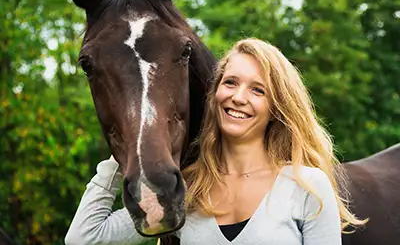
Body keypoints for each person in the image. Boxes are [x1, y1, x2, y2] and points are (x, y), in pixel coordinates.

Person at [65, 38, 365, 245]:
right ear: (215, 93)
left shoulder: (306, 186)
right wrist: (129, 144)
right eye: (230, 82)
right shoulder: (186, 190)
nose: (238, 97)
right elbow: (85, 236)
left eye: (258, 90)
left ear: (276, 108)